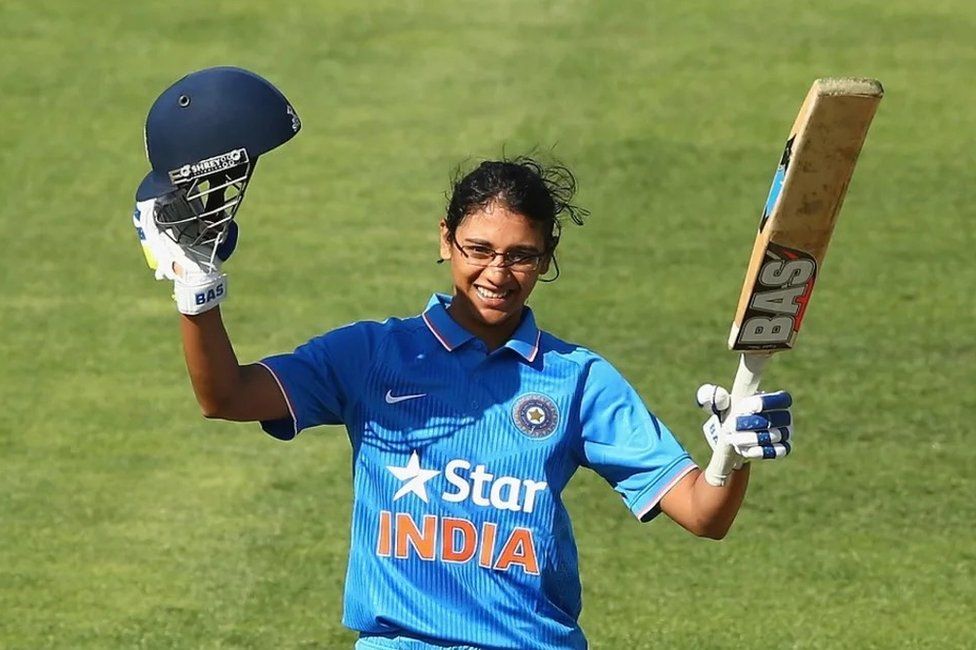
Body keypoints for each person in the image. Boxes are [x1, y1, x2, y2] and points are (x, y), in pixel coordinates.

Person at [134, 68, 793, 650]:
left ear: (548, 255)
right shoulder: (371, 354)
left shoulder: (579, 382)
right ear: (445, 241)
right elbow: (225, 397)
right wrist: (198, 293)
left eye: (521, 255)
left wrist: (732, 456)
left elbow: (705, 516)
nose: (497, 274)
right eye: (478, 249)